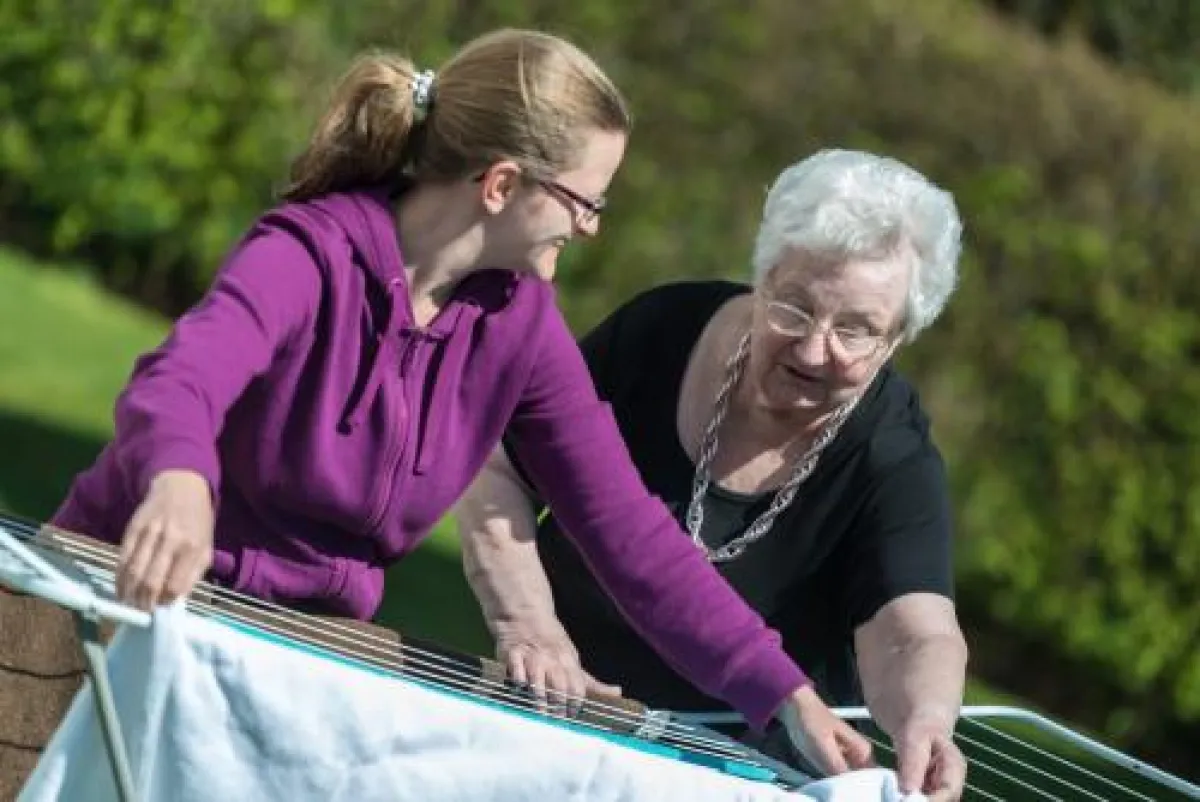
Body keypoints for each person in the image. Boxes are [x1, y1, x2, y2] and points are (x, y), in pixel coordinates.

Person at [39, 28, 871, 779]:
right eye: (585, 203)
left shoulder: (520, 324)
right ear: (503, 185)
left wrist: (785, 694)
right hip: (109, 615)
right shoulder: (308, 253)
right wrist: (178, 480)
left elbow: (631, 535)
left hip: (287, 662)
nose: (590, 231)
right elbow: (181, 378)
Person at [455, 149, 971, 800]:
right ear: (763, 276)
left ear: (896, 338)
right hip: (545, 715)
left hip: (734, 777)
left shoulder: (893, 456)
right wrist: (529, 626)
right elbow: (496, 466)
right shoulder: (660, 330)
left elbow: (913, 630)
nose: (814, 349)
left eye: (856, 331)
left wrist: (926, 721)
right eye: (794, 308)